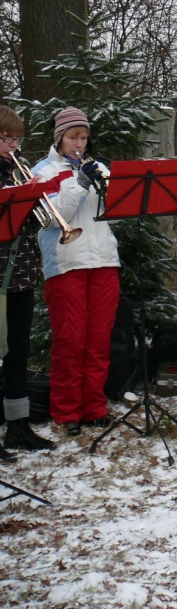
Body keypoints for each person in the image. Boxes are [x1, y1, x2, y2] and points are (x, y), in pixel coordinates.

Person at [30, 107, 120, 436]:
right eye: (73, 137)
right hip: (66, 262)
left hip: (104, 261)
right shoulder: (42, 171)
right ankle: (66, 410)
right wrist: (80, 183)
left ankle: (94, 407)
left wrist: (107, 188)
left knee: (98, 340)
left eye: (84, 137)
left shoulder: (99, 167)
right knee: (70, 340)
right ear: (59, 138)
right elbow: (53, 217)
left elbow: (117, 213)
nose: (80, 143)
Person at [0, 107, 55, 454]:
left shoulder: (16, 171)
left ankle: (18, 427)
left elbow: (38, 222)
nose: (14, 145)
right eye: (7, 138)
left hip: (21, 271)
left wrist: (35, 195)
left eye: (18, 138)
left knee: (18, 353)